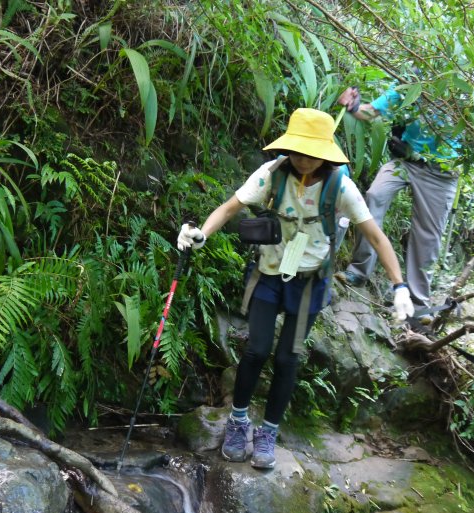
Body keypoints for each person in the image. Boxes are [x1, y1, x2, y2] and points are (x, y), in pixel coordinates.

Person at [176, 108, 414, 470]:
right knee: (255, 350)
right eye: (297, 151)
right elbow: (230, 208)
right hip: (269, 275)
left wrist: (400, 286)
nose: (303, 159)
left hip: (309, 284)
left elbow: (376, 238)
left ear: (325, 153)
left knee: (288, 359)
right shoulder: (272, 175)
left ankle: (268, 431)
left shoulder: (341, 188)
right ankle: (238, 423)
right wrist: (201, 235)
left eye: (311, 152)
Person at [338, 84, 461, 306]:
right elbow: (369, 112)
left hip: (441, 172)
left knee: (427, 235)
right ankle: (358, 271)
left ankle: (417, 301)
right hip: (405, 161)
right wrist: (351, 104)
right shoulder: (412, 85)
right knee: (374, 196)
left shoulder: (462, 94)